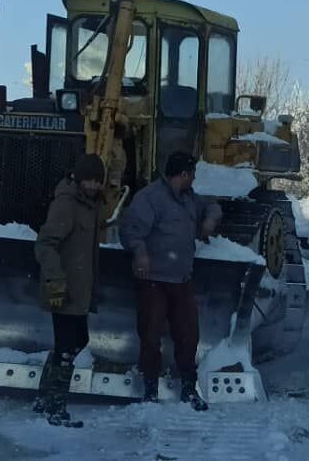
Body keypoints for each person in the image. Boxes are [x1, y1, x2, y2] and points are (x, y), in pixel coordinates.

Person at [119, 151, 222, 411]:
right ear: (184, 174)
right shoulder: (150, 199)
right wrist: (140, 252)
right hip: (153, 280)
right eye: (193, 174)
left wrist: (210, 218)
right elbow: (130, 229)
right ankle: (150, 390)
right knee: (151, 336)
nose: (194, 179)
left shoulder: (189, 199)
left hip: (181, 279)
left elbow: (212, 205)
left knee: (188, 335)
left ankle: (189, 388)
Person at [33, 154, 105, 428]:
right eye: (89, 179)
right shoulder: (67, 204)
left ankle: (45, 396)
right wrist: (55, 278)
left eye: (98, 180)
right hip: (63, 288)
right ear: (78, 177)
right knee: (66, 346)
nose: (94, 185)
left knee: (78, 340)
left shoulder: (90, 205)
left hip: (80, 289)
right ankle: (55, 406)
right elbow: (45, 244)